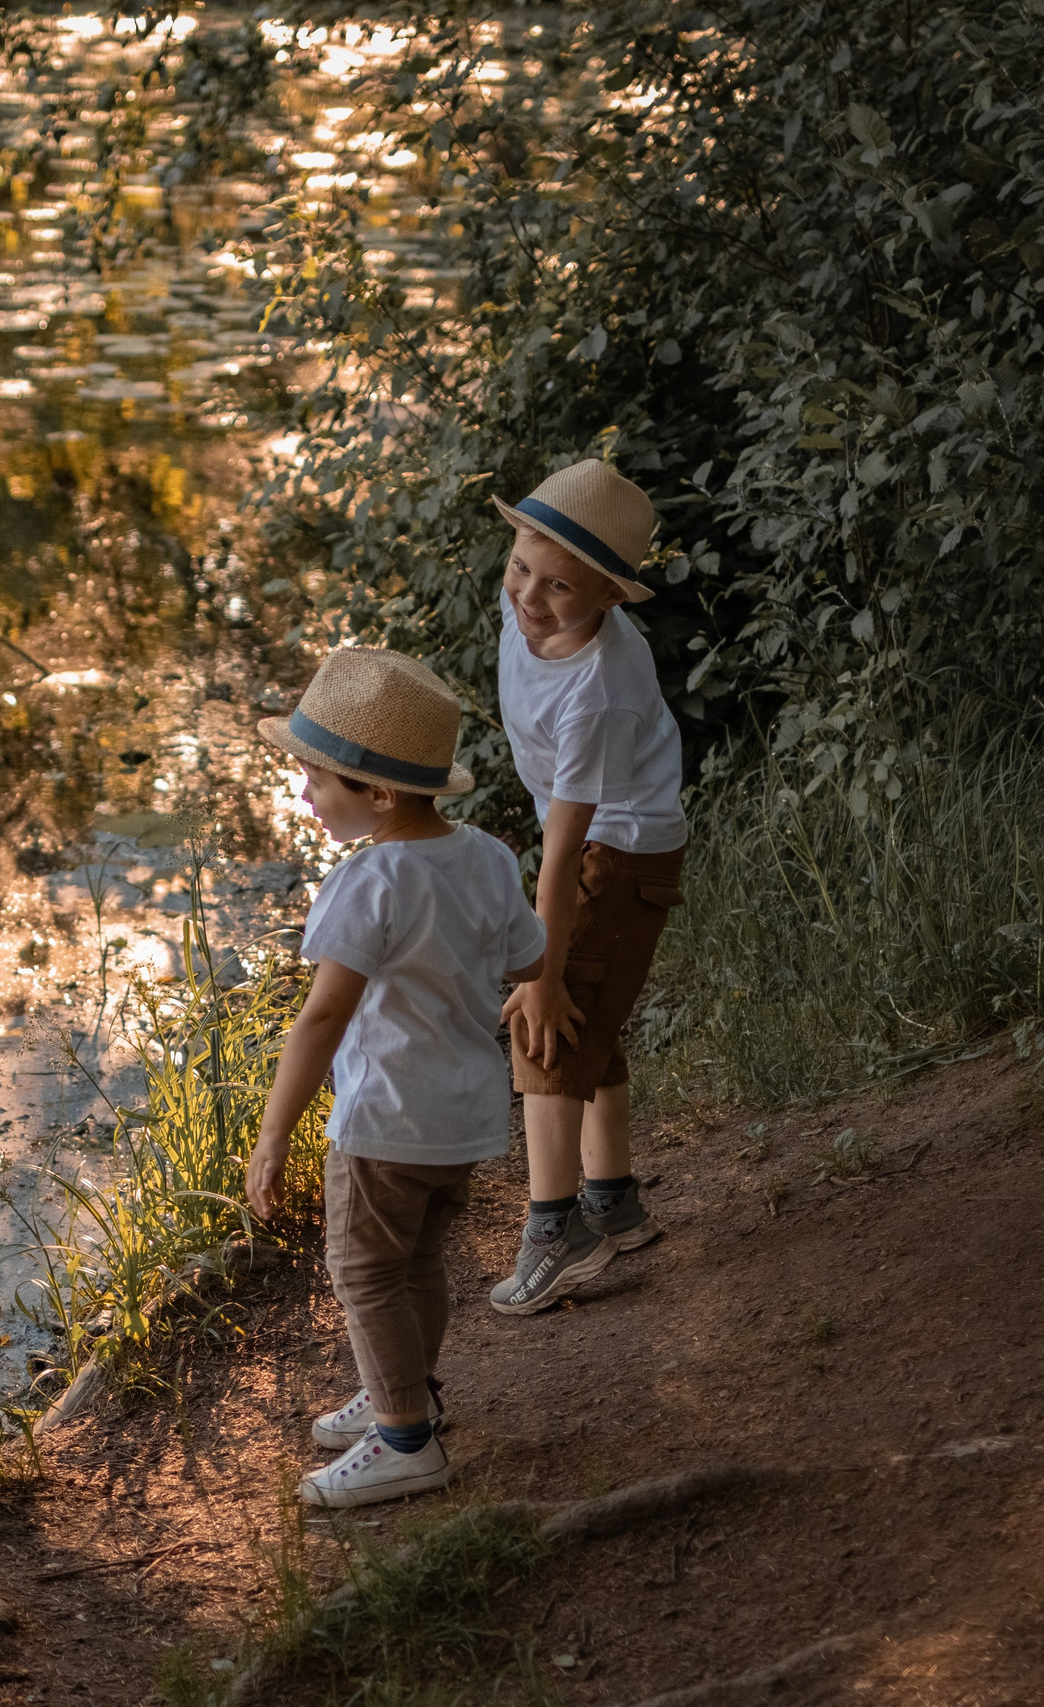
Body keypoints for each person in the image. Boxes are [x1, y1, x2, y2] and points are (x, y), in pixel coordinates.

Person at [245, 647, 547, 1508]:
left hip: (386, 1122)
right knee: (417, 1261)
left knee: (366, 1270)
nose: (304, 794)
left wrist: (274, 1134)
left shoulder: (367, 880)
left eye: (316, 781)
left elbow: (321, 1019)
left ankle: (405, 1439)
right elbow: (529, 956)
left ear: (377, 795)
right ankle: (406, 1392)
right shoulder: (486, 856)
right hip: (465, 1116)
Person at [486, 459, 687, 1316]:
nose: (531, 597)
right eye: (522, 568)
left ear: (608, 595)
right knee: (590, 1016)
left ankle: (557, 1228)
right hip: (591, 839)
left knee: (550, 1028)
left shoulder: (601, 689)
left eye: (561, 586)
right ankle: (612, 1200)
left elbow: (566, 851)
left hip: (620, 849)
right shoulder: (525, 604)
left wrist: (541, 969)